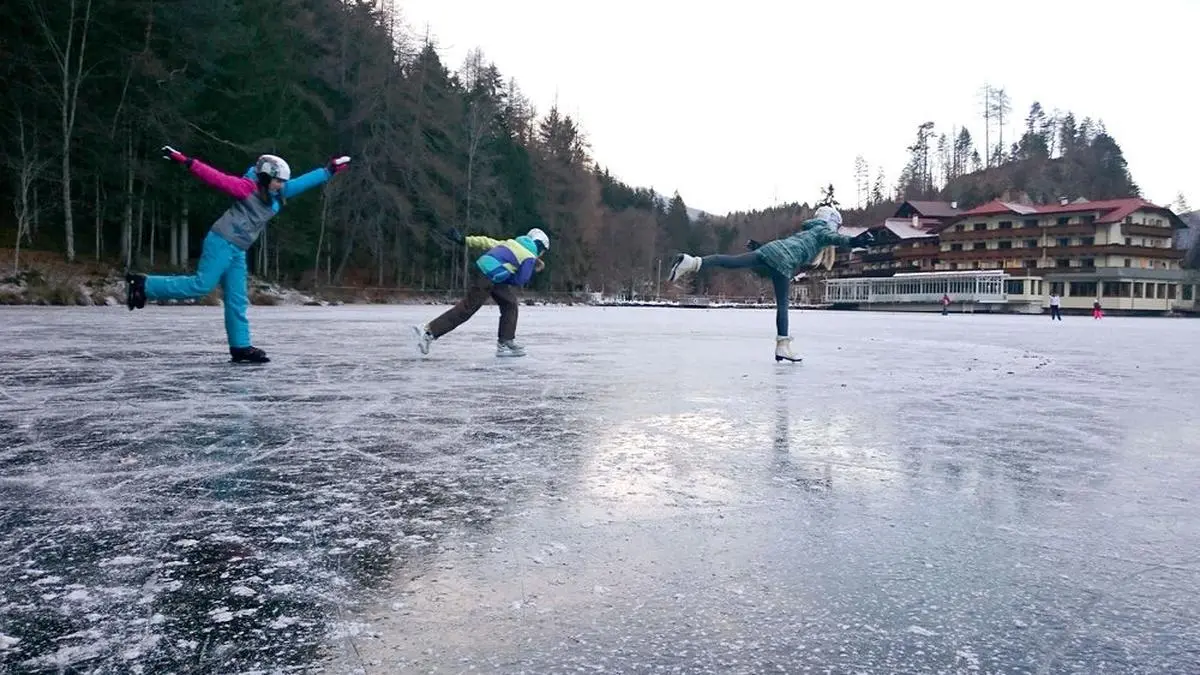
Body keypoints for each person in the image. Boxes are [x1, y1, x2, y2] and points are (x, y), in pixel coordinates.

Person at [124, 145, 351, 363]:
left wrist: (328, 170)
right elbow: (215, 177)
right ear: (264, 177)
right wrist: (186, 161)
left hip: (238, 249)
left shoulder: (278, 192)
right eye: (278, 180)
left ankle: (241, 347)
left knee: (237, 300)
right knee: (202, 285)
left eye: (283, 181)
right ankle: (144, 284)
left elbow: (302, 183)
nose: (281, 185)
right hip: (221, 242)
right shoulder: (245, 187)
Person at [666, 205, 873, 362]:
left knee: (732, 261)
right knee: (783, 305)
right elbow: (833, 238)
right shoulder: (821, 231)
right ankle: (782, 345)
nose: (834, 231)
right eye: (835, 226)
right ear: (830, 222)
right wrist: (854, 242)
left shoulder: (807, 231)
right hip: (783, 262)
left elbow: (787, 246)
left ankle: (692, 262)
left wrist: (759, 246)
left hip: (771, 251)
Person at [412, 227, 550, 358]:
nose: (542, 254)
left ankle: (505, 342)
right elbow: (520, 280)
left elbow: (486, 241)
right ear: (539, 246)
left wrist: (463, 240)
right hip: (490, 276)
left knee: (510, 303)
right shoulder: (529, 256)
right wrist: (531, 268)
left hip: (486, 271)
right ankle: (429, 331)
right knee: (467, 308)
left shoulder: (510, 243)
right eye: (543, 251)